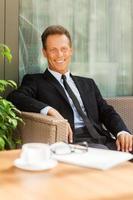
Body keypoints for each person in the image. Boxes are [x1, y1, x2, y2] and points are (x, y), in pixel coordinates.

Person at [7, 25, 133, 152]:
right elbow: (15, 98)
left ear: (71, 51)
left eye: (64, 49)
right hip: (73, 142)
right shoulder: (35, 81)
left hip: (103, 139)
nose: (60, 54)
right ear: (44, 52)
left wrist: (121, 132)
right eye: (53, 50)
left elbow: (106, 111)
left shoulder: (88, 83)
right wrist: (50, 111)